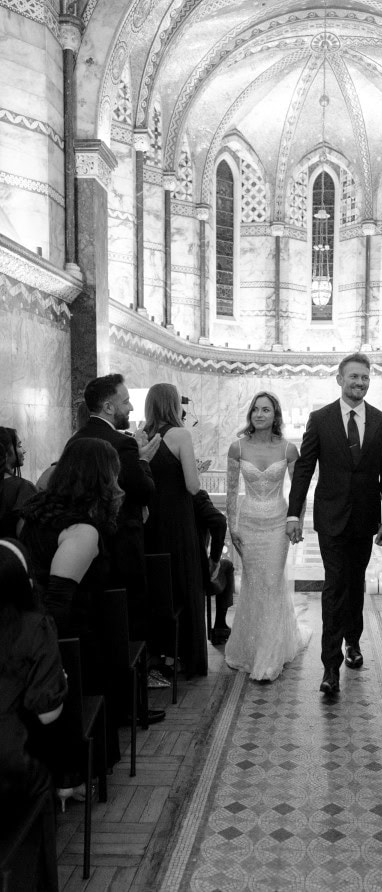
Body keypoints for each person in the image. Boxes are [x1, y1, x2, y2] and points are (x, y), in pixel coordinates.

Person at [287, 353, 382, 695]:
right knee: (335, 586)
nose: (360, 383)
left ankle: (353, 641)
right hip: (331, 518)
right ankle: (330, 667)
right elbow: (305, 469)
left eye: (365, 377)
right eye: (354, 377)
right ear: (340, 379)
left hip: (365, 519)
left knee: (354, 583)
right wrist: (294, 512)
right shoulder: (320, 419)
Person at [19, 438, 125, 767]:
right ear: (101, 478)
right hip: (69, 641)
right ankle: (75, 773)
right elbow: (58, 602)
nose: (118, 484)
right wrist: (53, 665)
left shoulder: (38, 513)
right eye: (114, 476)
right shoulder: (80, 530)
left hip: (41, 631)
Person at [225, 391, 310, 681]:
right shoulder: (237, 448)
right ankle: (250, 648)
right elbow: (231, 491)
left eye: (266, 410)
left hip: (276, 525)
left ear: (276, 415)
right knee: (253, 584)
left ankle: (269, 657)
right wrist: (232, 527)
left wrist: (295, 520)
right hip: (248, 524)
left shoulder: (288, 449)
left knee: (272, 582)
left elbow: (299, 491)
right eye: (255, 410)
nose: (259, 415)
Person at [70, 374, 160, 645]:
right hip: (121, 544)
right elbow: (143, 491)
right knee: (129, 617)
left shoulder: (75, 440)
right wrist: (143, 461)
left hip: (82, 545)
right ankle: (133, 680)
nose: (131, 408)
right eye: (126, 401)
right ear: (108, 407)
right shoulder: (122, 443)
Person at [0, 538, 67, 890]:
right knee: (41, 777)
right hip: (10, 766)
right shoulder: (33, 627)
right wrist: (60, 681)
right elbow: (47, 714)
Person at [144, 382, 207, 677]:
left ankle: (160, 655)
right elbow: (192, 485)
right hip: (178, 523)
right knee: (184, 585)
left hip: (150, 523)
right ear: (173, 404)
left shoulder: (142, 434)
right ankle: (185, 658)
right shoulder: (180, 434)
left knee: (159, 590)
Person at [192, 489, 229, 644]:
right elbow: (219, 521)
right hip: (197, 569)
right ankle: (220, 626)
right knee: (227, 566)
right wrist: (214, 560)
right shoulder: (196, 495)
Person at [0, 428, 37, 536]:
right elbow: (25, 534)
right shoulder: (24, 488)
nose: (24, 450)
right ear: (5, 452)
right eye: (19, 445)